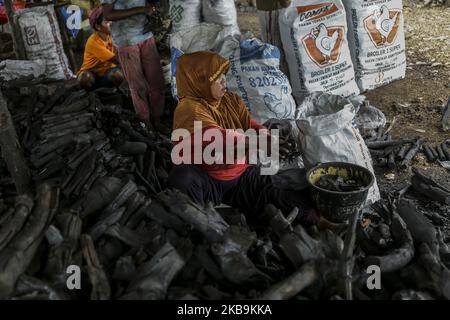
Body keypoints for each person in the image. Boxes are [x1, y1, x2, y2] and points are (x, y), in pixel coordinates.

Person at [167, 51, 319, 226]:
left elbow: (249, 124)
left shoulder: (229, 100)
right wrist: (258, 142)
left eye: (223, 75)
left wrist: (265, 136)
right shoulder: (188, 109)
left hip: (238, 175)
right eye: (217, 78)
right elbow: (218, 138)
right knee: (182, 178)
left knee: (283, 197)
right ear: (199, 82)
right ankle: (196, 229)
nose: (224, 81)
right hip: (206, 178)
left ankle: (321, 222)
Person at [101, 0, 166, 130]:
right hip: (126, 40)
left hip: (146, 34)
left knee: (157, 81)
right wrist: (140, 10)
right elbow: (108, 15)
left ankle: (157, 117)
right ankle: (145, 121)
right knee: (138, 86)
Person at [78, 7, 124, 91]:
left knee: (116, 75)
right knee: (85, 78)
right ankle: (93, 94)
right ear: (98, 27)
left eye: (111, 20)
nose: (111, 23)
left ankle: (109, 91)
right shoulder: (93, 42)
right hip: (92, 76)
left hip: (106, 74)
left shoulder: (112, 36)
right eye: (107, 21)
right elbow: (117, 60)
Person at [256, 0, 292, 75]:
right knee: (273, 48)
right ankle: (279, 78)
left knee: (282, 48)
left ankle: (284, 78)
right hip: (272, 8)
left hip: (279, 8)